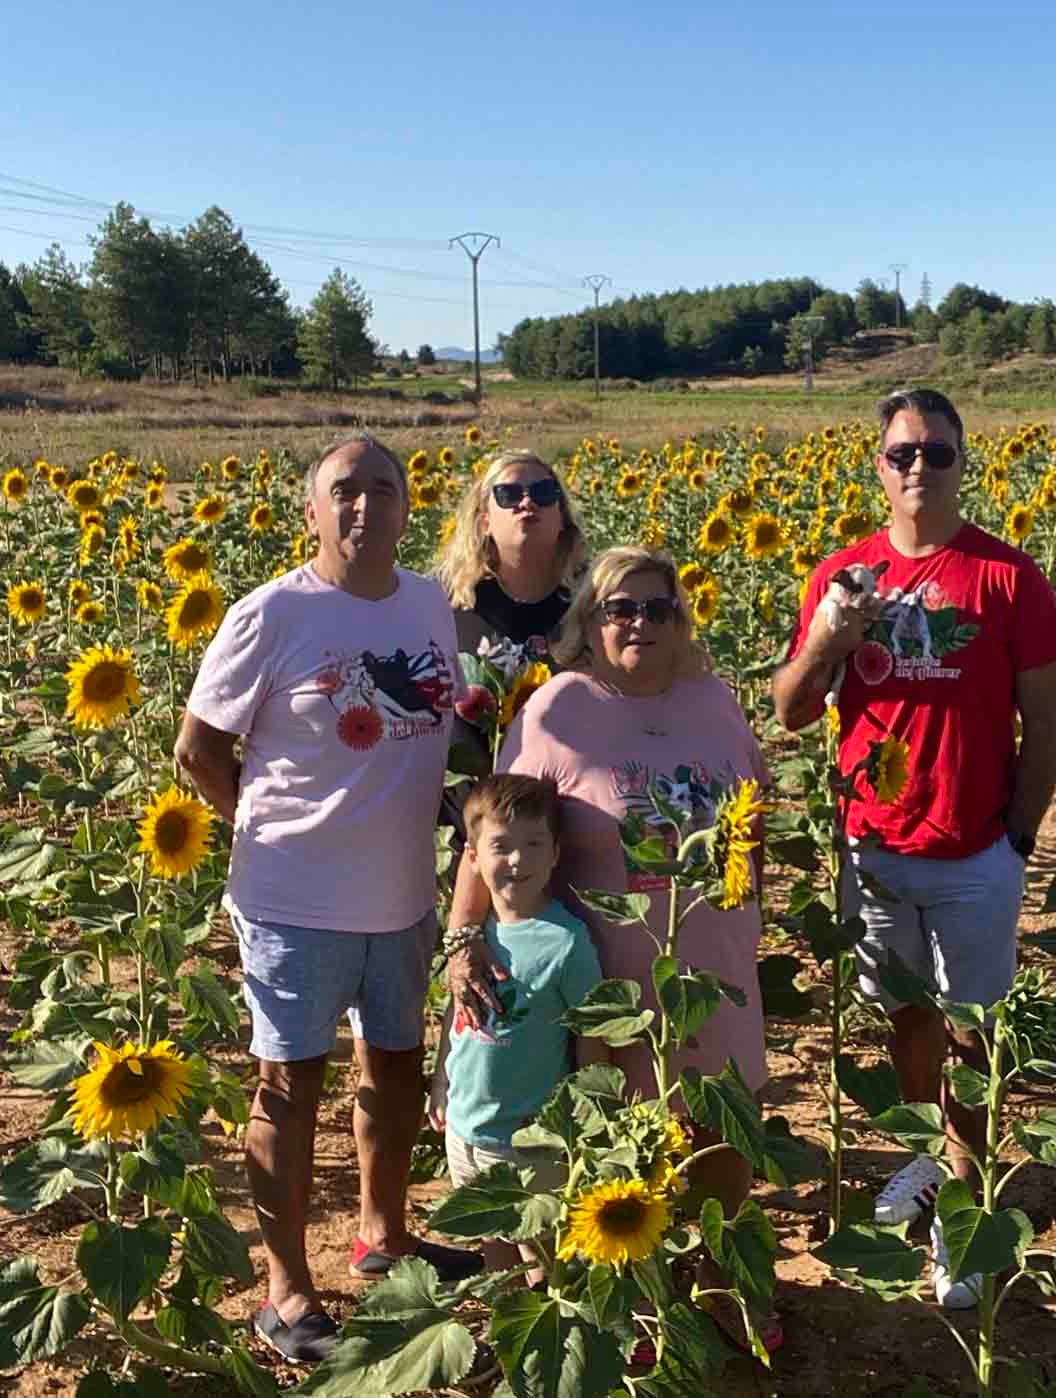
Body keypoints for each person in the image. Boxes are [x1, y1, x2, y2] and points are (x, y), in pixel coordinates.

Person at [174, 434, 481, 1365]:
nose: (362, 508)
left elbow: (441, 719)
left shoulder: (431, 605)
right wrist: (270, 827)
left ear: (404, 506)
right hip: (292, 899)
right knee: (288, 1088)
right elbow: (197, 751)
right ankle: (286, 1287)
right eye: (343, 492)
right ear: (312, 511)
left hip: (400, 895)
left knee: (391, 1073)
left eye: (381, 490)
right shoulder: (271, 614)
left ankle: (382, 1237)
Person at [771, 387, 1056, 1310]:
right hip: (873, 848)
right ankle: (923, 1158)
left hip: (976, 849)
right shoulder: (842, 577)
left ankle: (964, 1222)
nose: (917, 469)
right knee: (906, 1017)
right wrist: (831, 636)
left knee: (976, 1037)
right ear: (878, 465)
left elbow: (1046, 724)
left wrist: (1017, 836)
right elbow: (790, 711)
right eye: (902, 453)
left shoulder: (1010, 579)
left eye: (935, 454)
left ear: (961, 462)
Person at [446, 545, 782, 1351]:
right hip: (607, 979)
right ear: (587, 624)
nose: (638, 623)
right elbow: (490, 834)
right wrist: (464, 942)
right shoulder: (560, 708)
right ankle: (626, 1297)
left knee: (724, 1124)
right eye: (618, 609)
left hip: (713, 960)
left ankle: (718, 1282)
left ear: (679, 620)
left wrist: (753, 903)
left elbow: (753, 807)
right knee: (615, 1136)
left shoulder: (713, 700)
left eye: (656, 608)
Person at [428, 773, 606, 1280]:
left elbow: (590, 1036)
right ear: (474, 857)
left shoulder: (566, 942)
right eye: (501, 846)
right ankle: (508, 1331)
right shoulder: (473, 940)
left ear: (554, 855)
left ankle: (545, 1328)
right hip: (464, 1125)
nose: (517, 861)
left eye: (534, 845)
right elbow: (455, 1013)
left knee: (539, 1247)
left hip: (530, 1137)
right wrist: (441, 1079)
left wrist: (589, 1117)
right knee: (492, 1245)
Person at [432, 446, 588, 661]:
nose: (527, 503)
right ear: (485, 522)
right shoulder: (443, 598)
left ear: (562, 516)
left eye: (543, 492)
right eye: (509, 494)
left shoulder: (595, 594)